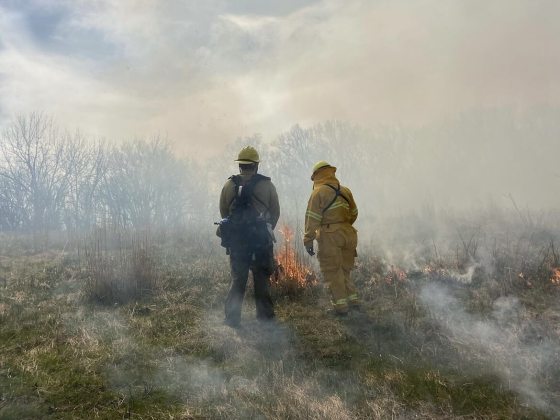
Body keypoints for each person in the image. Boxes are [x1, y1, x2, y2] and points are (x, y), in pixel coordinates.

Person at [218, 146, 280, 328]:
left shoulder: (228, 185)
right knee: (261, 279)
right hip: (260, 243)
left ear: (240, 166)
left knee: (238, 280)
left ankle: (231, 319)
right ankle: (265, 318)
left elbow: (224, 212)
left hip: (237, 243)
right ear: (256, 166)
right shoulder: (267, 185)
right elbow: (275, 213)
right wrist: (263, 232)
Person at [303, 161, 359, 316]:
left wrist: (308, 240)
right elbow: (354, 213)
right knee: (345, 270)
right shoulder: (345, 191)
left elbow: (312, 218)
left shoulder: (318, 193)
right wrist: (344, 225)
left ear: (317, 176)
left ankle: (340, 308)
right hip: (349, 233)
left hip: (330, 236)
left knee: (332, 271)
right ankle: (354, 301)